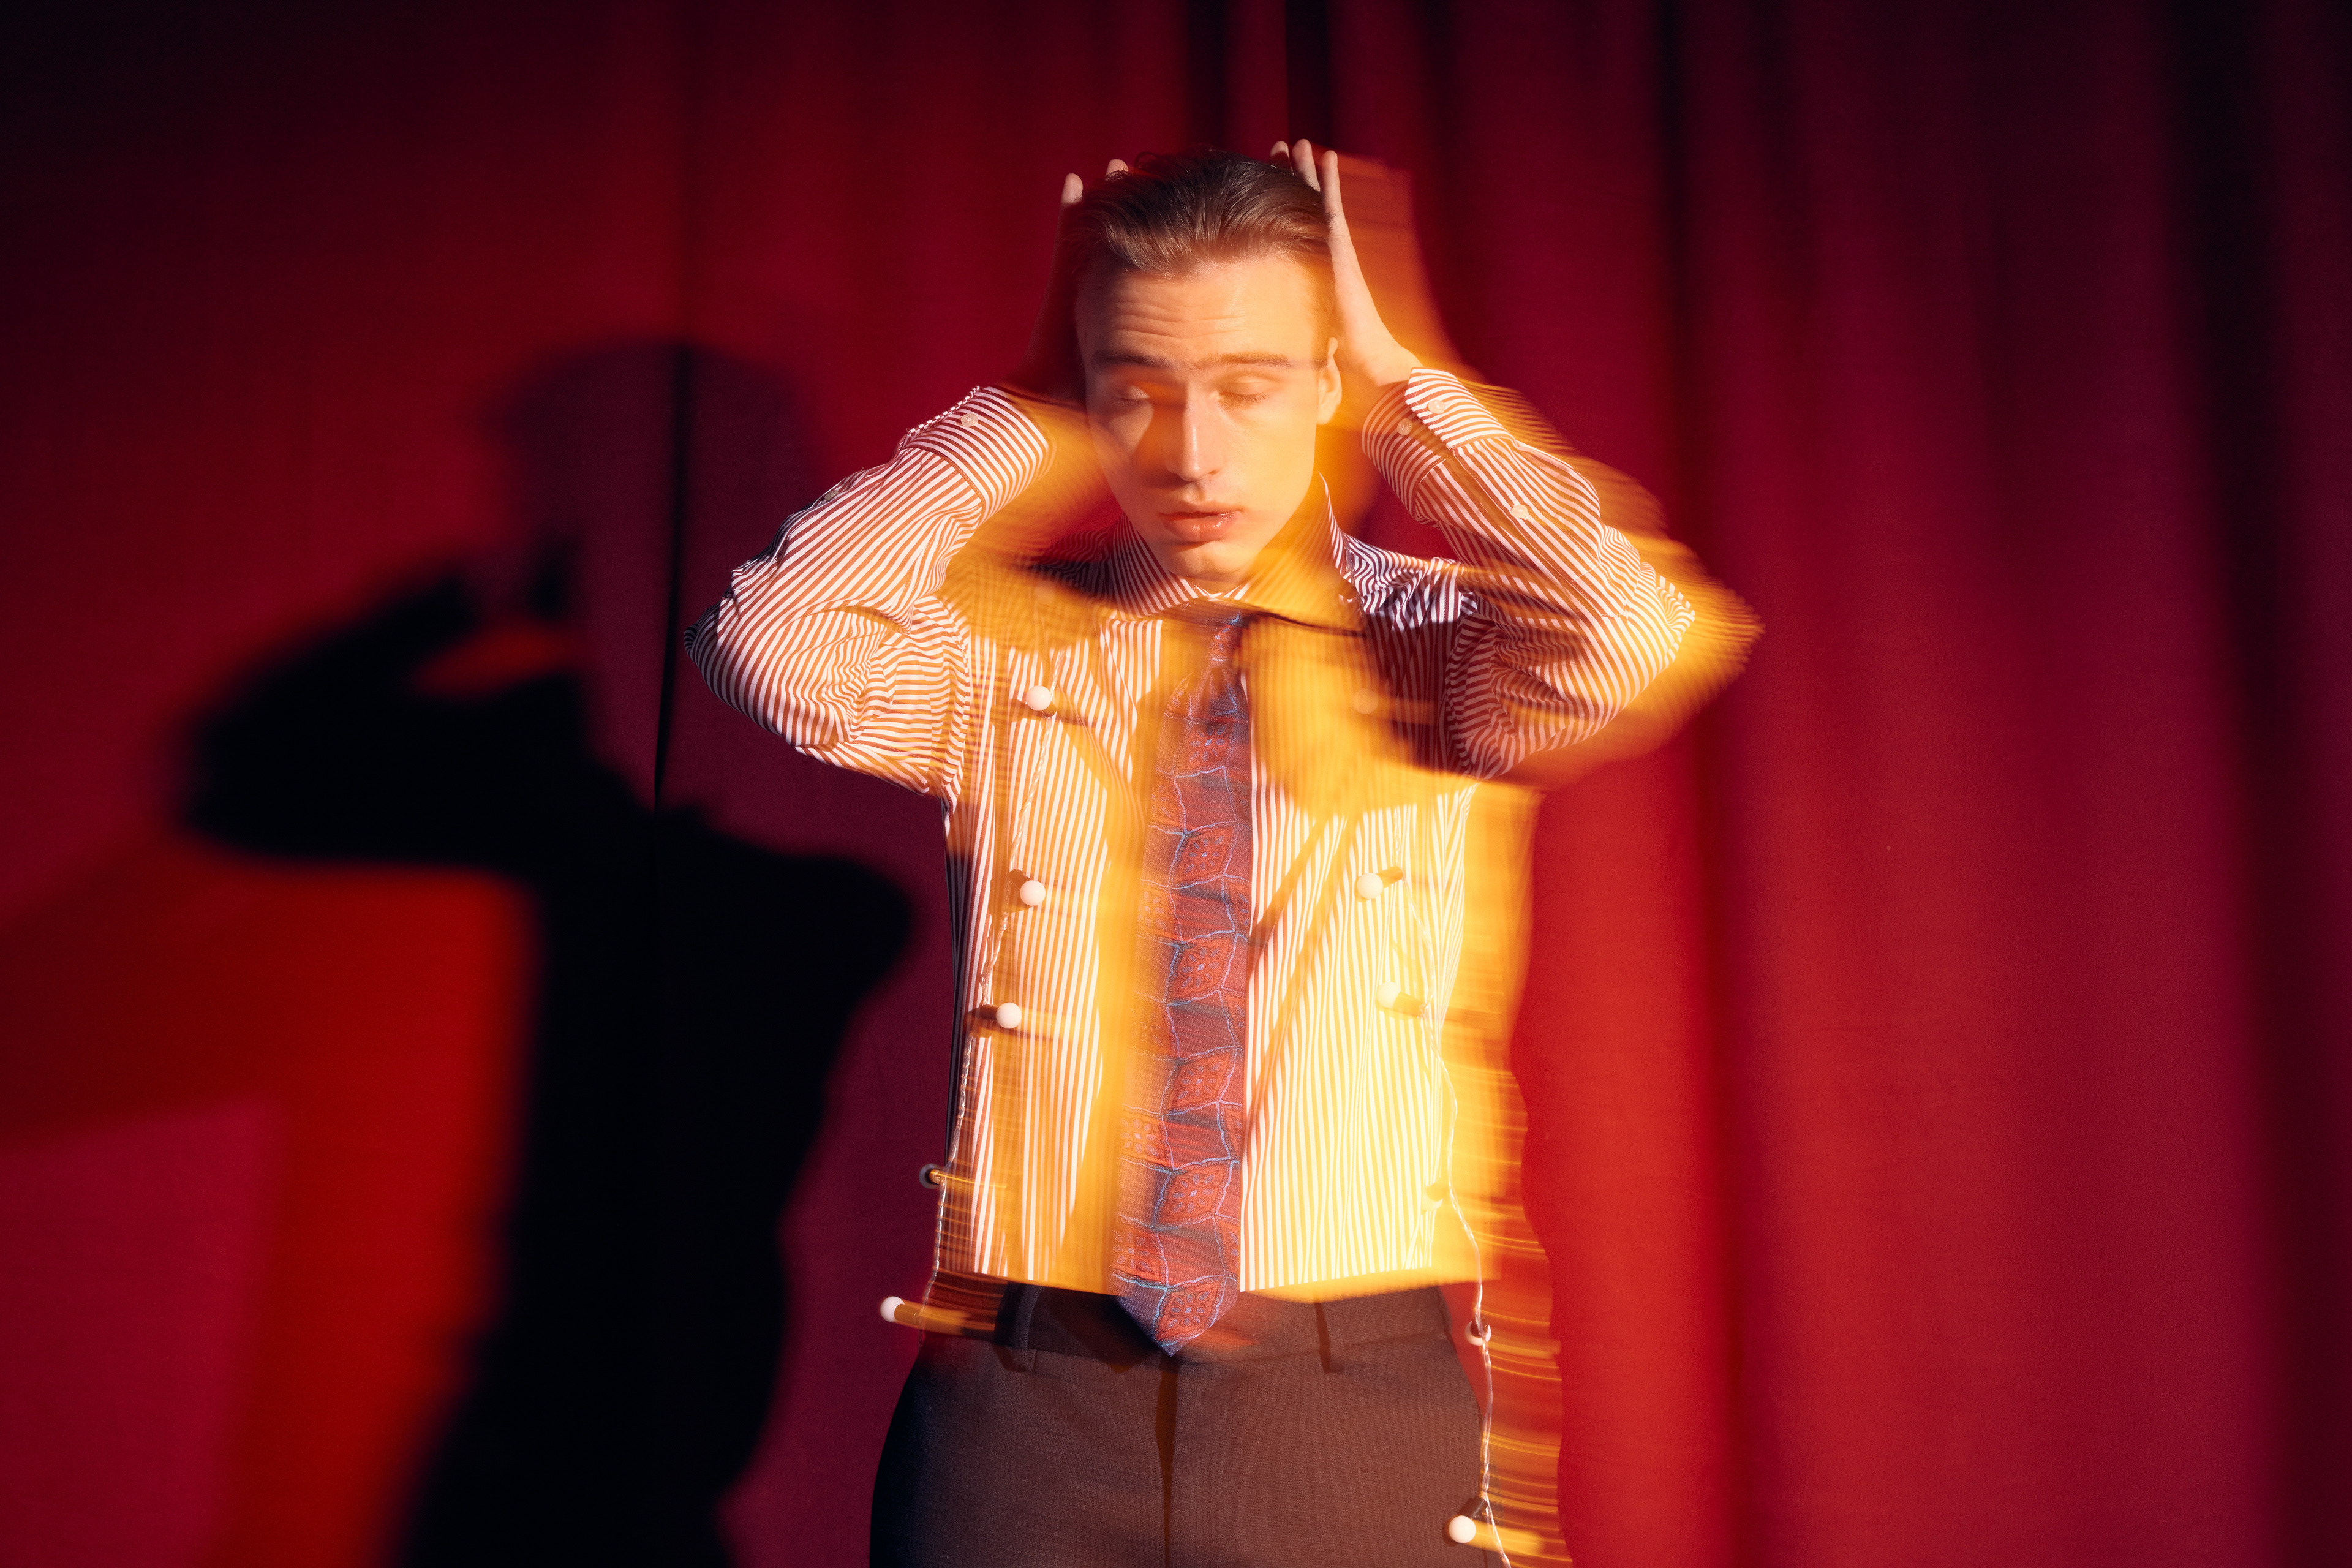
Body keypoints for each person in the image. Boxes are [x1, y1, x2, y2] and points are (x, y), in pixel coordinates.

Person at [688, 140, 1752, 1568]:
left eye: (1250, 386)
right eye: (1137, 389)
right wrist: (1026, 408)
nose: (1191, 455)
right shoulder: (1009, 644)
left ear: (1326, 388)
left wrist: (1407, 380)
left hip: (1352, 1391)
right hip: (1027, 1389)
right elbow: (771, 638)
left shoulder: (1443, 647)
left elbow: (1627, 633)